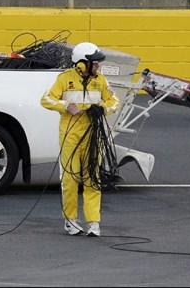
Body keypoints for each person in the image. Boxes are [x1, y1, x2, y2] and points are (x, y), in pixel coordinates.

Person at [40, 41, 119, 238]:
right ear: (82, 64)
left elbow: (114, 101)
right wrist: (66, 105)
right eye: (95, 63)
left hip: (92, 135)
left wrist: (103, 108)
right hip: (70, 135)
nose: (98, 66)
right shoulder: (64, 79)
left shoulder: (100, 80)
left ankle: (93, 223)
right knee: (70, 179)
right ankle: (70, 220)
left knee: (93, 179)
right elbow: (46, 99)